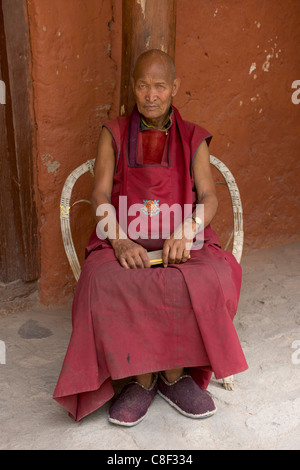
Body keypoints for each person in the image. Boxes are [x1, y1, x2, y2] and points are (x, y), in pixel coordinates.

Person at [53, 49, 248, 425]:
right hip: (124, 234)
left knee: (212, 276)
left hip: (182, 236)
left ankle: (175, 377)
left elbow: (209, 198)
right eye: (143, 86)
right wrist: (121, 240)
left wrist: (188, 229)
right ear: (133, 87)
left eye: (160, 86)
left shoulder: (194, 137)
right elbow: (98, 196)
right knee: (104, 282)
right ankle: (140, 381)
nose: (151, 95)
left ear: (174, 87)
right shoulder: (113, 132)